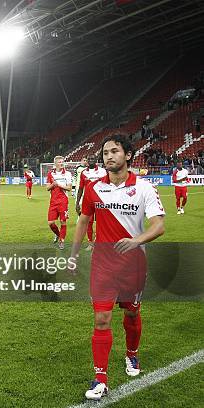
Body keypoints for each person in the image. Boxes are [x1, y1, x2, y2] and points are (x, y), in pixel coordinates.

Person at [69, 134, 165, 401]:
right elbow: (83, 222)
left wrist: (136, 241)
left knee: (132, 315)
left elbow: (158, 225)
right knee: (101, 319)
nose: (108, 156)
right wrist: (74, 255)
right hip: (103, 265)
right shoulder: (93, 188)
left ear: (129, 155)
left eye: (114, 151)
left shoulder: (145, 188)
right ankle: (100, 378)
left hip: (133, 266)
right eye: (105, 153)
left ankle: (131, 355)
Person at [76, 154, 107, 250]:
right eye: (89, 159)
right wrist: (77, 203)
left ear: (96, 160)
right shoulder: (84, 173)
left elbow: (107, 186)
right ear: (87, 161)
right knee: (88, 223)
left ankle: (99, 241)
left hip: (100, 201)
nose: (91, 160)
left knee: (101, 222)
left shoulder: (102, 171)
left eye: (92, 158)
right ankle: (90, 243)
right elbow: (81, 188)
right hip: (87, 202)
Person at [46, 156, 72, 249]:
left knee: (63, 222)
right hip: (53, 202)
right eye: (60, 162)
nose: (62, 163)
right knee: (50, 223)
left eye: (62, 162)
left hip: (63, 201)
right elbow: (47, 188)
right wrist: (53, 184)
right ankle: (58, 234)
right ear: (55, 163)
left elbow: (69, 188)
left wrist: (59, 185)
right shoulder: (50, 174)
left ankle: (61, 241)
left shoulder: (68, 174)